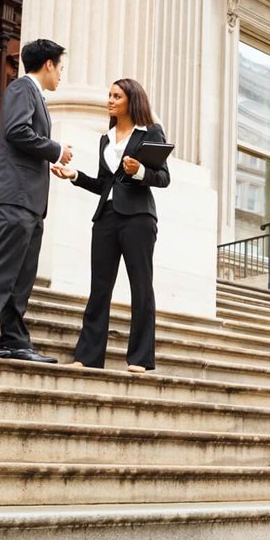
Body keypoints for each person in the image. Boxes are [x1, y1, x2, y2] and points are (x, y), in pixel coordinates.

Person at [0, 38, 73, 362]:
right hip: (16, 195)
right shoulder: (22, 89)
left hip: (32, 201)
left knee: (21, 276)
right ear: (48, 64)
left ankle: (15, 339)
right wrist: (56, 149)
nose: (61, 75)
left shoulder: (35, 95)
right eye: (61, 67)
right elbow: (17, 131)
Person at [51, 78, 170, 372]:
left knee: (141, 286)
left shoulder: (150, 132)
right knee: (99, 287)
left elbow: (164, 177)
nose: (110, 100)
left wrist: (140, 170)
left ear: (132, 100)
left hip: (138, 218)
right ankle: (88, 357)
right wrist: (74, 175)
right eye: (109, 95)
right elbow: (104, 183)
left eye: (117, 96)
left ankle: (140, 359)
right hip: (105, 217)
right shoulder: (107, 138)